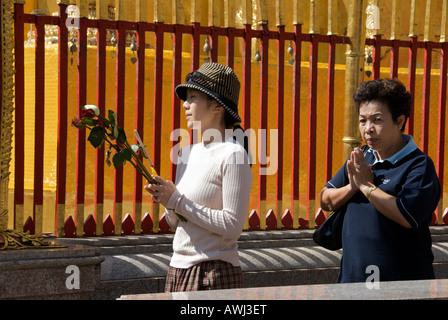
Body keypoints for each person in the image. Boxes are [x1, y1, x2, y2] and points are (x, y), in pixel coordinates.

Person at [144, 62, 253, 292]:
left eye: (193, 97)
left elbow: (233, 226)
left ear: (216, 105)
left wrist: (178, 202)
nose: (185, 105)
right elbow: (176, 223)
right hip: (177, 269)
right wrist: (168, 202)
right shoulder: (186, 154)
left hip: (214, 273)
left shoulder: (234, 155)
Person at [320, 78, 441, 283]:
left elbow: (405, 214)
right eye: (362, 120)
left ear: (400, 121)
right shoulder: (362, 156)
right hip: (352, 277)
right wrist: (353, 186)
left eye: (377, 120)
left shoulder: (418, 165)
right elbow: (326, 199)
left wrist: (366, 187)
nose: (368, 128)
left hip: (399, 282)